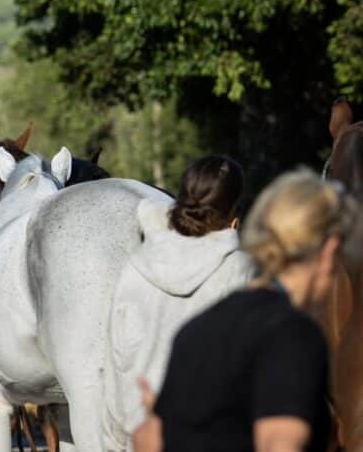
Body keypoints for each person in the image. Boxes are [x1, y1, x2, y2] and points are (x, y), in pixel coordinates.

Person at [134, 169, 358, 452]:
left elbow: (148, 441)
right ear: (329, 251)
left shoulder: (197, 329)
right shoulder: (293, 334)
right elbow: (280, 444)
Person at [102, 156, 254, 450]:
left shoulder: (136, 266)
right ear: (234, 212)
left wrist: (119, 441)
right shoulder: (243, 271)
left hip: (141, 435)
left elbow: (116, 363)